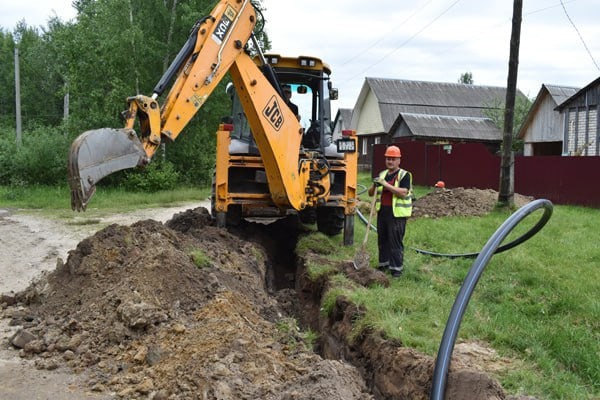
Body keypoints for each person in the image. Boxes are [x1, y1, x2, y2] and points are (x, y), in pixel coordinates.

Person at [368, 145, 413, 278]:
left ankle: (396, 270)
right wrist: (374, 185)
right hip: (383, 212)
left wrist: (386, 184)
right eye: (388, 159)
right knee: (382, 240)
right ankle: (383, 265)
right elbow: (371, 194)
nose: (390, 161)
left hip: (397, 214)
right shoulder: (382, 175)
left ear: (399, 160)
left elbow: (403, 193)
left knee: (395, 242)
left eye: (393, 159)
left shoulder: (404, 175)